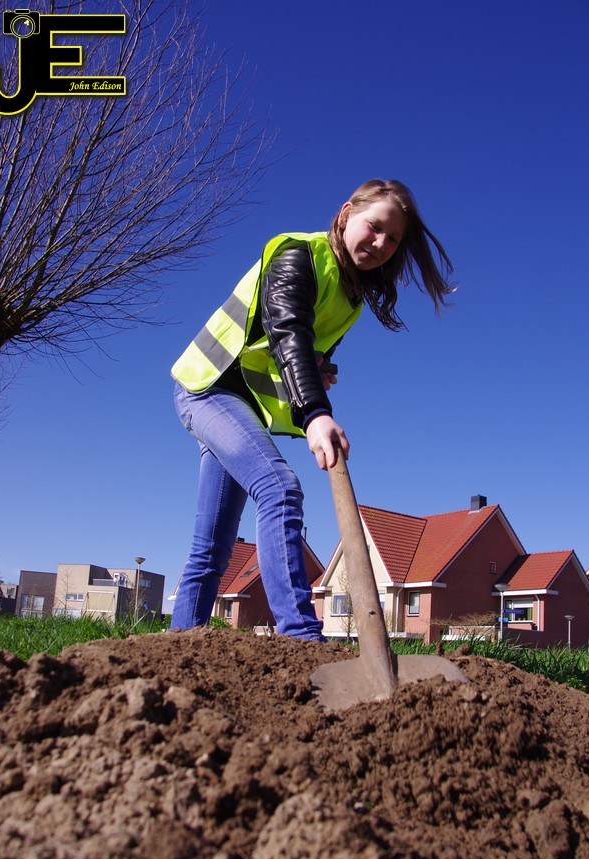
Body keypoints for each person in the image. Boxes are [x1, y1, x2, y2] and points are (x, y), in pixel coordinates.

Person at [170, 178, 454, 639]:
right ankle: (300, 636)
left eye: (393, 239)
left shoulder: (350, 298)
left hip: (244, 406)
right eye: (374, 226)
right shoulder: (297, 255)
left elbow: (302, 350)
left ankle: (181, 647)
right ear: (346, 214)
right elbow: (287, 333)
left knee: (214, 548)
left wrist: (319, 369)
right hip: (209, 386)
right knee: (279, 488)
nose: (381, 243)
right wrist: (315, 413)